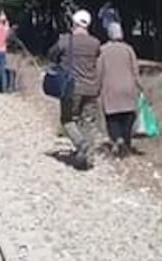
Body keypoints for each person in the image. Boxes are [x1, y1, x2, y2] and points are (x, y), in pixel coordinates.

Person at [47, 9, 102, 170]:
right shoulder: (95, 43)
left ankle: (80, 144)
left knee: (68, 120)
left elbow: (51, 55)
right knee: (89, 123)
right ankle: (87, 159)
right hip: (92, 88)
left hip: (71, 88)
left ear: (74, 23)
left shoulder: (65, 41)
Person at [97, 22, 142, 156]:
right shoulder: (128, 49)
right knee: (128, 116)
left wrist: (97, 87)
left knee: (112, 117)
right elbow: (135, 70)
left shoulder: (103, 50)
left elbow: (99, 71)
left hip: (110, 89)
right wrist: (140, 86)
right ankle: (126, 143)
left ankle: (117, 139)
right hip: (128, 88)